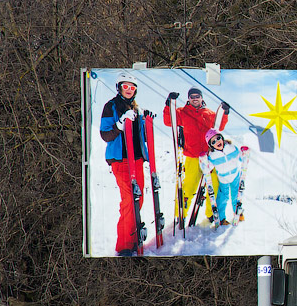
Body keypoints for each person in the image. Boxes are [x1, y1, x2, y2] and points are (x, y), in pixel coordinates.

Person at [98, 72, 149, 256]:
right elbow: (105, 134)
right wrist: (119, 125)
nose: (128, 90)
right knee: (129, 200)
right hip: (121, 159)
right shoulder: (111, 106)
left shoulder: (136, 108)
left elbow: (141, 136)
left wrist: (146, 120)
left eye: (132, 87)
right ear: (119, 88)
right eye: (125, 86)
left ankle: (134, 238)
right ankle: (124, 246)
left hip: (136, 159)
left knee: (139, 198)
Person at [163, 88, 228, 225]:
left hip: (210, 157)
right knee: (188, 187)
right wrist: (169, 105)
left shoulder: (209, 114)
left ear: (201, 98)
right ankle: (180, 214)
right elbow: (169, 121)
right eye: (192, 97)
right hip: (192, 156)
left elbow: (219, 127)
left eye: (197, 96)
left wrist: (225, 113)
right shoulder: (182, 112)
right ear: (188, 99)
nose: (194, 98)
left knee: (214, 185)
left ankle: (211, 213)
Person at [201, 129, 244, 226]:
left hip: (235, 175)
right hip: (223, 178)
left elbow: (240, 157)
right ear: (211, 145)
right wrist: (203, 162)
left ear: (222, 138)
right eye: (213, 142)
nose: (217, 142)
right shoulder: (213, 156)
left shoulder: (231, 148)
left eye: (218, 138)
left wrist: (244, 154)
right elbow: (208, 168)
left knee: (236, 195)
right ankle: (222, 218)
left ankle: (238, 213)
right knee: (223, 198)